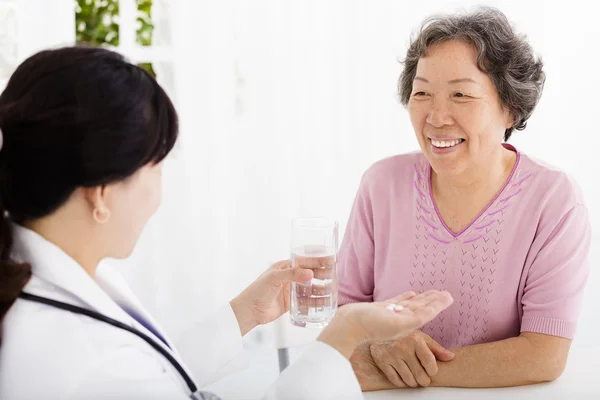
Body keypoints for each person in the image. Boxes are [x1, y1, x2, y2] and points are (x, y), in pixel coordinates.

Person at [0, 46, 453, 400]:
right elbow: (126, 376)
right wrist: (345, 334)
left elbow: (156, 373)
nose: (160, 190)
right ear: (101, 194)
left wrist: (242, 315)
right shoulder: (83, 363)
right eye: (156, 166)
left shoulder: (42, 276)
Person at [338, 6, 592, 391]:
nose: (437, 116)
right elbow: (338, 313)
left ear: (510, 107)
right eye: (422, 92)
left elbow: (544, 353)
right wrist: (377, 341)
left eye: (461, 94)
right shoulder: (381, 185)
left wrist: (391, 373)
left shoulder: (554, 201)